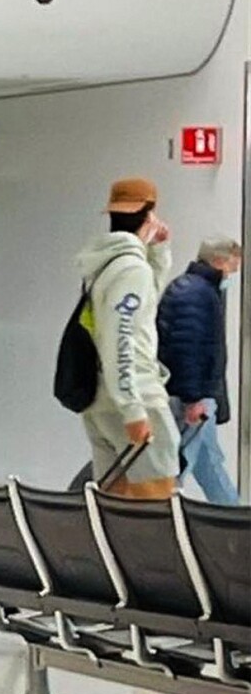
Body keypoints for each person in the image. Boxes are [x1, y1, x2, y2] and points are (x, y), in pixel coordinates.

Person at [75, 177, 179, 499]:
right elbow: (121, 339)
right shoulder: (131, 270)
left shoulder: (105, 265)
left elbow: (141, 307)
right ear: (150, 217)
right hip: (138, 397)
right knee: (155, 504)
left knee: (113, 503)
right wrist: (133, 409)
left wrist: (157, 253)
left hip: (101, 398)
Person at [157, 237, 241, 504]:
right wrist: (194, 398)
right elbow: (188, 349)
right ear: (219, 260)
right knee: (177, 467)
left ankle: (236, 523)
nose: (233, 273)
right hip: (193, 399)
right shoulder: (200, 295)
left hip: (192, 395)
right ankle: (235, 527)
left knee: (208, 463)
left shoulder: (187, 288)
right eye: (233, 266)